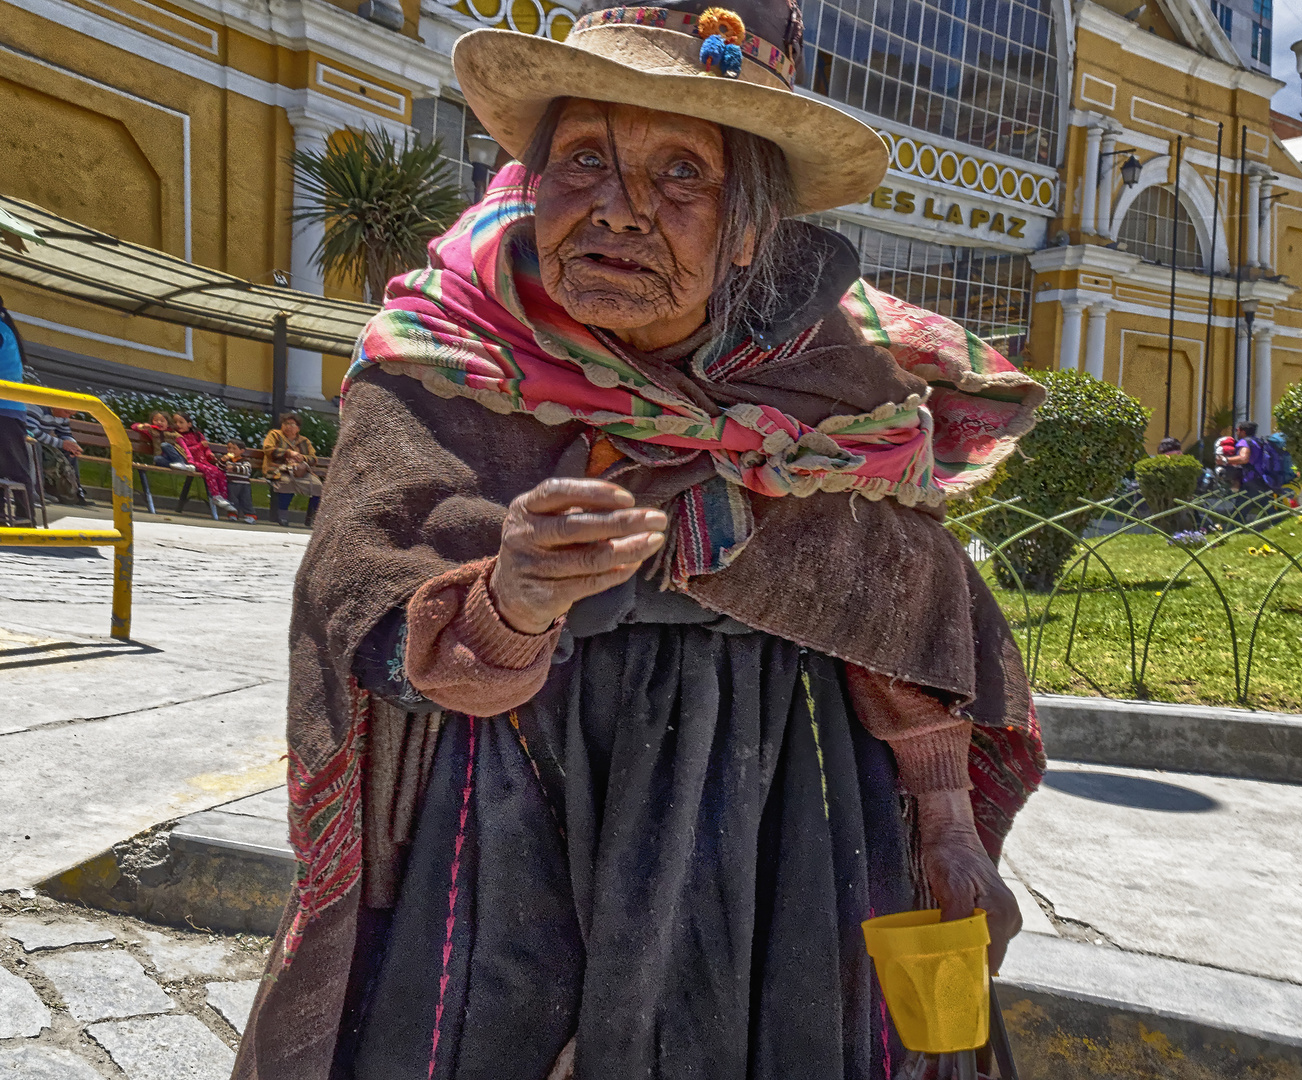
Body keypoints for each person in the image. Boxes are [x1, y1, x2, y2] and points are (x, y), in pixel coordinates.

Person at [233, 3, 1048, 1077]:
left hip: (780, 818)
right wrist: (507, 604)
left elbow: (894, 607)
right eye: (583, 160)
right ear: (529, 182)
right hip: (509, 807)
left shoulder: (833, 385)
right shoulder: (443, 351)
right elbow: (359, 604)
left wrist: (943, 821)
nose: (618, 210)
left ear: (754, 225)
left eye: (681, 176)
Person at [0, 298, 36, 520]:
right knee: (12, 466)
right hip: (9, 410)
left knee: (14, 468)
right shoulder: (6, 328)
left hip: (4, 409)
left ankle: (26, 518)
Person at [261, 412, 322, 527]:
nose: (288, 426)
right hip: (278, 469)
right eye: (285, 423)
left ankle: (313, 517)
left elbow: (313, 459)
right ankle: (282, 514)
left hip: (300, 471)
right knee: (287, 483)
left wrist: (302, 457)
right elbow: (268, 449)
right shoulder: (275, 434)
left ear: (298, 428)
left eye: (292, 424)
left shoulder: (304, 441)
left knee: (318, 486)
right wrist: (288, 453)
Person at [168, 411, 235, 516]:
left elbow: (206, 449)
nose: (178, 425)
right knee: (210, 471)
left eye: (181, 422)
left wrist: (210, 454)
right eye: (175, 422)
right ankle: (216, 496)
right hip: (191, 462)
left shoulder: (198, 435)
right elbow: (185, 451)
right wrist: (200, 446)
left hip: (203, 460)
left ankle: (223, 497)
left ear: (189, 424)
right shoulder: (177, 436)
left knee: (220, 472)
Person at [23, 398, 88, 505]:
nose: (67, 417)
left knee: (70, 453)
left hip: (44, 442)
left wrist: (73, 445)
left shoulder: (63, 417)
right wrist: (62, 444)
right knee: (36, 447)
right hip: (28, 439)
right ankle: (38, 490)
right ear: (56, 404)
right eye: (66, 412)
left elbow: (65, 433)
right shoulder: (37, 407)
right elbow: (31, 430)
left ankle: (75, 490)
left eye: (71, 414)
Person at [1217, 420, 1270, 521]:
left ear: (1243, 432)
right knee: (1266, 505)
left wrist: (1225, 460)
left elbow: (1243, 458)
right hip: (1262, 478)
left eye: (1237, 430)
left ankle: (1233, 528)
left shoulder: (1244, 442)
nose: (1236, 432)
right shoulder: (1258, 441)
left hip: (1251, 480)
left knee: (1241, 508)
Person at [219, 439, 258, 524]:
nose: (231, 451)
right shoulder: (228, 461)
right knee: (232, 499)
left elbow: (246, 469)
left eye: (234, 448)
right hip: (231, 483)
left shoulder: (245, 461)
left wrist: (234, 468)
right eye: (229, 448)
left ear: (242, 451)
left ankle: (250, 515)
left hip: (244, 484)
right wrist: (222, 461)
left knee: (246, 500)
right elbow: (219, 468)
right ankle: (233, 514)